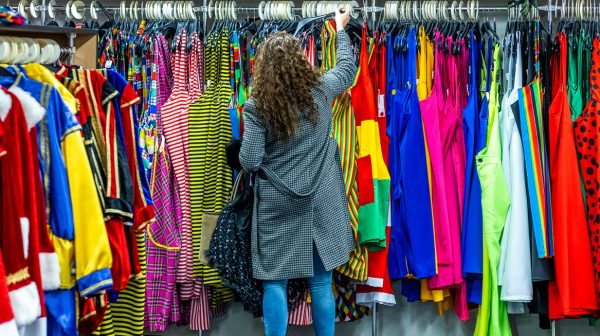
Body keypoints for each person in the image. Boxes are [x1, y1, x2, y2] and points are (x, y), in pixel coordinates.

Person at [238, 7, 357, 336]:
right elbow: (347, 69)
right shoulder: (320, 90)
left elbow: (249, 161)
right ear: (300, 61)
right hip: (321, 200)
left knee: (274, 283)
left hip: (278, 206)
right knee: (321, 283)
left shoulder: (257, 105)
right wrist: (340, 28)